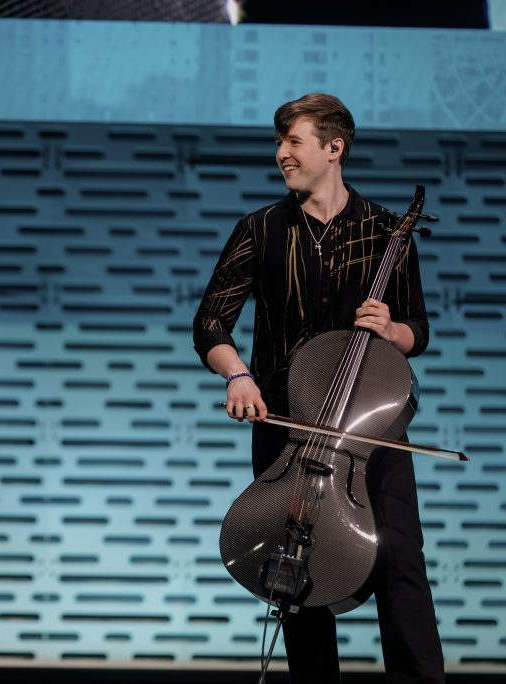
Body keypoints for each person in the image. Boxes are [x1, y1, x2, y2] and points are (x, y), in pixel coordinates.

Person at [192, 93, 443, 683]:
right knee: (297, 573)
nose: (281, 154)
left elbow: (418, 329)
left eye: (294, 142)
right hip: (289, 424)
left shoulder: (387, 231)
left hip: (370, 428)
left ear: (335, 148)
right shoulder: (258, 230)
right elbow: (209, 323)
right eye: (279, 143)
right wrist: (238, 374)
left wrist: (393, 330)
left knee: (401, 559)